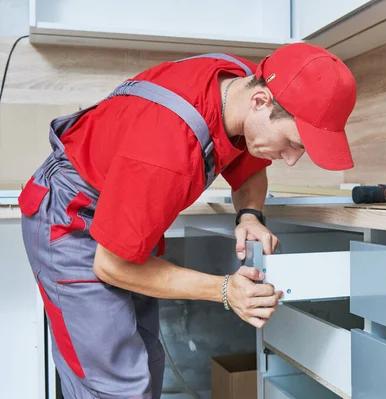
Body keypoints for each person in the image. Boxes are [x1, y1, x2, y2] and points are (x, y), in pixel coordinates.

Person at [18, 42, 357, 398]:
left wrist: (250, 214)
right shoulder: (167, 148)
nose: (290, 160)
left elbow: (250, 167)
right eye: (291, 143)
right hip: (71, 222)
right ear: (261, 102)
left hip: (120, 204)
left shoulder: (239, 85)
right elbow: (112, 266)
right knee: (115, 385)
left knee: (147, 365)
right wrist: (225, 290)